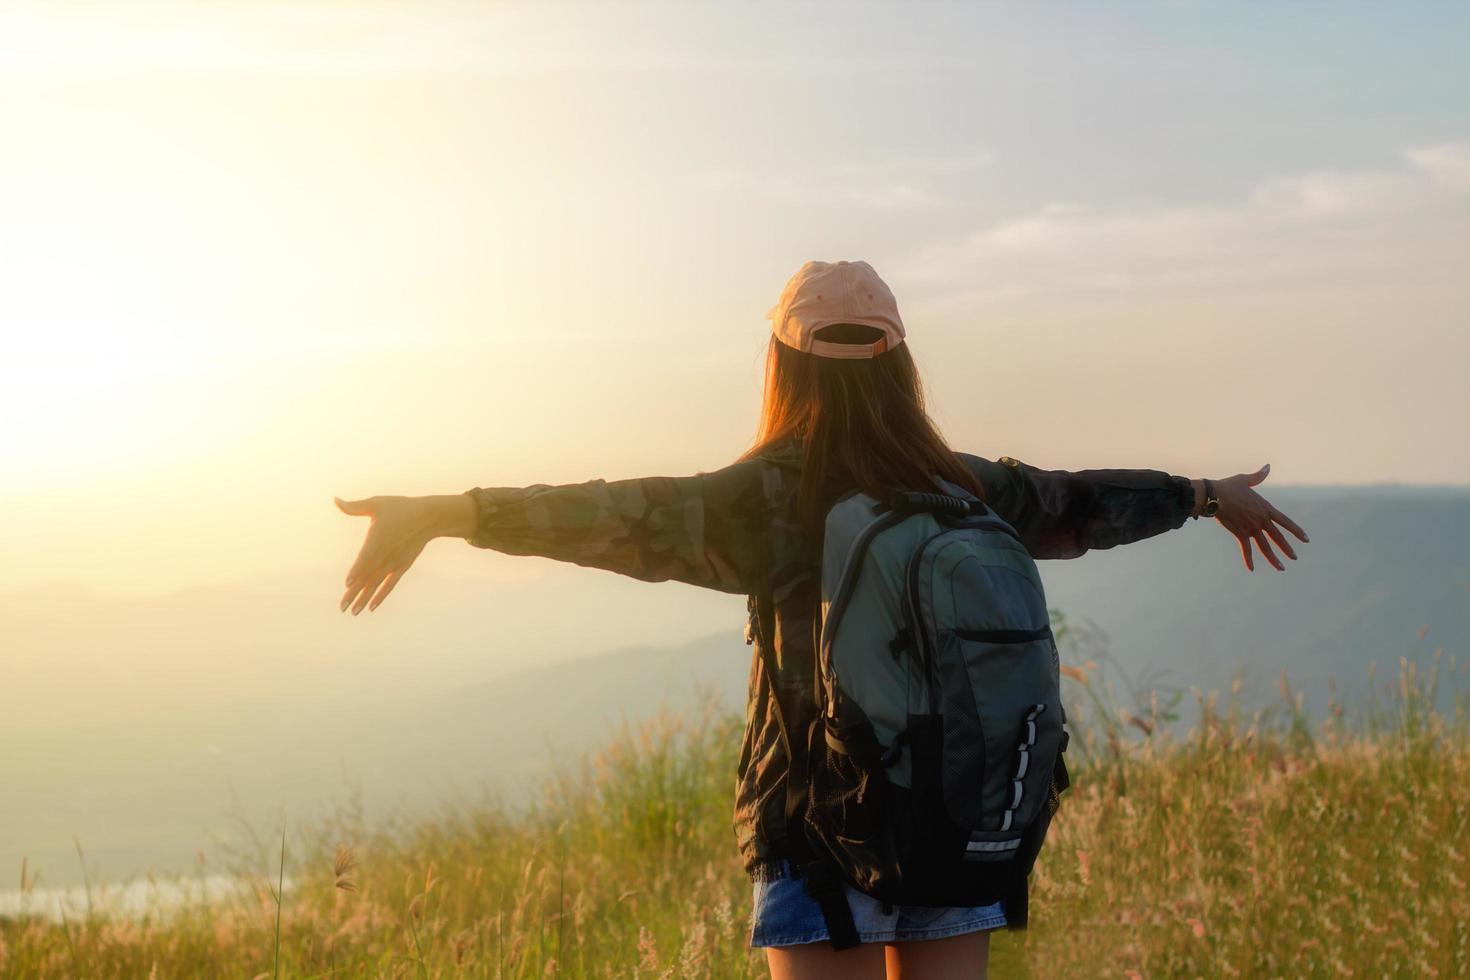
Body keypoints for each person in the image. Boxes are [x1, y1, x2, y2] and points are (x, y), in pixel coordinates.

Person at [335, 259, 1309, 979]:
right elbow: (1082, 498)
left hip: (815, 817)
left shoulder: (765, 501)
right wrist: (1203, 493)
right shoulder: (963, 486)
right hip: (955, 812)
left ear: (784, 363)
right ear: (900, 364)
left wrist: (451, 512)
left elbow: (613, 512)